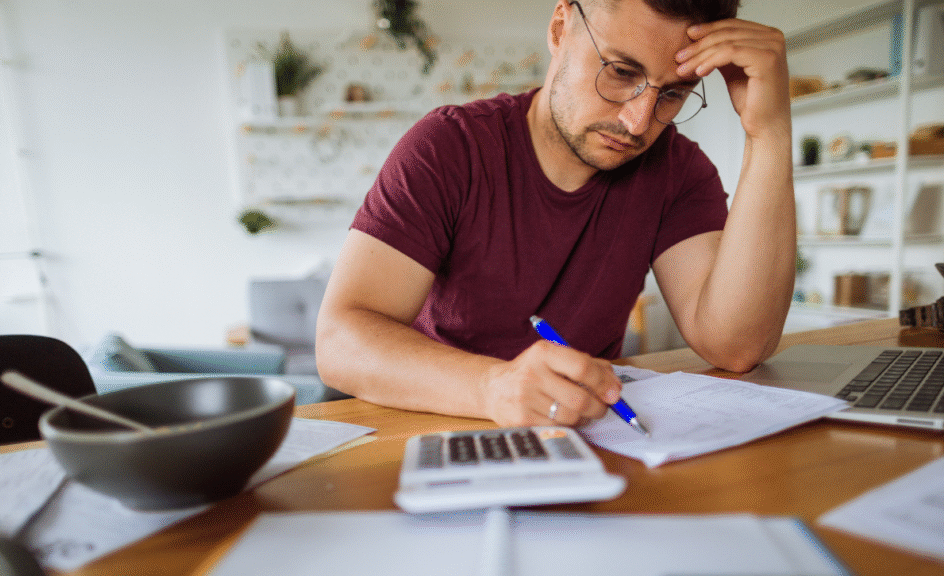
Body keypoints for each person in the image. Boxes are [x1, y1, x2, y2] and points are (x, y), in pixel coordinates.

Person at [315, 0, 795, 428]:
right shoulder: (448, 147)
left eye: (672, 94)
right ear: (560, 28)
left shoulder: (677, 169)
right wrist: (493, 387)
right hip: (439, 432)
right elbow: (340, 342)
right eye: (620, 72)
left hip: (587, 437)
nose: (637, 122)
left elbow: (737, 346)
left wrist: (768, 133)